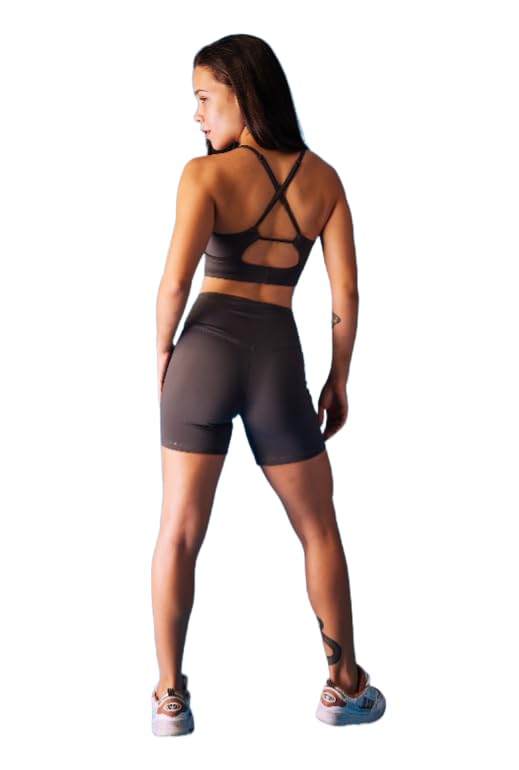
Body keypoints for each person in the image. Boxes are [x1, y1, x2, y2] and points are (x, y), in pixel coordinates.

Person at [151, 34, 386, 737]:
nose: (196, 115)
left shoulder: (204, 176)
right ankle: (344, 685)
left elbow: (174, 283)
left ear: (241, 93)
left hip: (203, 353)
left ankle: (169, 699)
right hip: (278, 362)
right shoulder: (325, 181)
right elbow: (346, 294)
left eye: (204, 98)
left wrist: (162, 354)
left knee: (179, 530)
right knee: (318, 527)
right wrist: (338, 377)